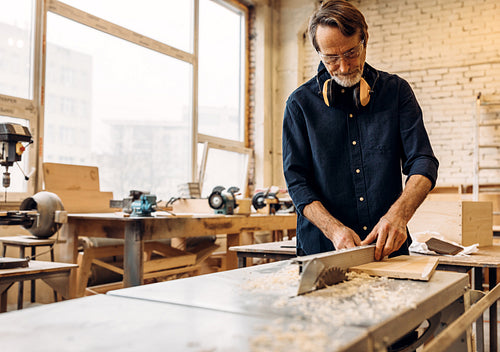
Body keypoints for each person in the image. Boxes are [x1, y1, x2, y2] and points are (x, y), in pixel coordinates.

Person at [282, 0, 438, 261]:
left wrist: (399, 215)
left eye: (351, 53)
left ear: (364, 39)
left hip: (388, 251)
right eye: (331, 58)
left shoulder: (396, 92)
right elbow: (297, 182)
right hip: (322, 252)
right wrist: (333, 230)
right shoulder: (299, 105)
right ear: (318, 52)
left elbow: (424, 162)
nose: (343, 67)